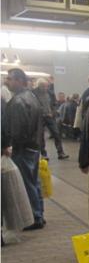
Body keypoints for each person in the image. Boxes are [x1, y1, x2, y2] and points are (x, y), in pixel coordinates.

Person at [4, 68, 45, 230]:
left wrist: (10, 145)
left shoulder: (17, 102)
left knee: (27, 183)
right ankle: (39, 213)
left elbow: (17, 129)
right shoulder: (32, 97)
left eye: (10, 79)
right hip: (33, 146)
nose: (7, 81)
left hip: (22, 148)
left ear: (20, 80)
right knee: (34, 182)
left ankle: (35, 217)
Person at [33, 78, 69, 160]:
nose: (46, 88)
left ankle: (61, 152)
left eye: (47, 86)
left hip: (50, 116)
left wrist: (53, 113)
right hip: (40, 118)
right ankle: (43, 154)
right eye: (44, 86)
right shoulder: (34, 93)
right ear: (39, 86)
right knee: (41, 136)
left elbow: (54, 104)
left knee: (56, 133)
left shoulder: (50, 93)